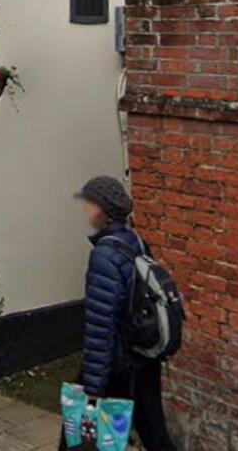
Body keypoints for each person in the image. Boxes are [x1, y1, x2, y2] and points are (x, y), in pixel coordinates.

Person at [59, 175, 177, 451]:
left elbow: (102, 325)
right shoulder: (134, 241)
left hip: (118, 365)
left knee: (76, 433)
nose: (85, 209)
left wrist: (92, 387)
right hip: (144, 357)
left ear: (101, 208)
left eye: (88, 203)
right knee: (154, 432)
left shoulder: (104, 255)